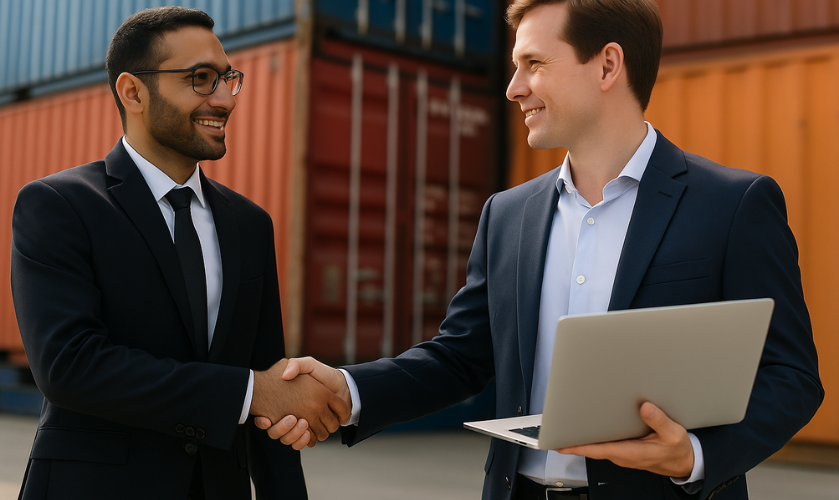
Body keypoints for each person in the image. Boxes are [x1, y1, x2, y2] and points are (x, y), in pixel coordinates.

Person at [255, 1, 823, 499]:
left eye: (534, 64)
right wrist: (350, 389)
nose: (513, 88)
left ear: (607, 65)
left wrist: (695, 456)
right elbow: (461, 357)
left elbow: (792, 376)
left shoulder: (733, 204)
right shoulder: (508, 214)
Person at [11, 7, 348, 500]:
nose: (224, 99)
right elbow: (69, 367)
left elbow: (273, 387)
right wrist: (251, 391)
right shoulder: (60, 205)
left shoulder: (250, 225)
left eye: (228, 78)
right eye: (201, 79)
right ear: (133, 92)